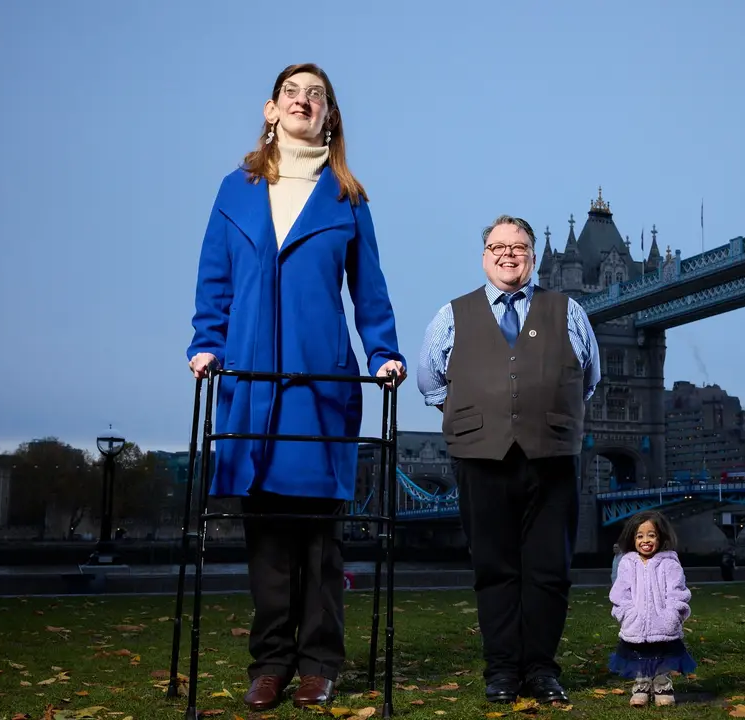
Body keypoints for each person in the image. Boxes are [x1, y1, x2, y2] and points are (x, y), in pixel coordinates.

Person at [186, 63, 406, 712]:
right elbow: (214, 277)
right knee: (267, 536)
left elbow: (370, 290)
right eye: (293, 93)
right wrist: (206, 341)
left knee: (318, 535)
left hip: (320, 383)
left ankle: (319, 663)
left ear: (329, 116)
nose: (305, 101)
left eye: (318, 95)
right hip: (252, 382)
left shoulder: (348, 198)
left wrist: (385, 351)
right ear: (271, 109)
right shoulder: (236, 190)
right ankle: (271, 662)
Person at [417, 214, 600, 705]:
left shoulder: (568, 311)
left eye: (518, 246)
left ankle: (541, 671)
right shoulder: (451, 315)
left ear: (532, 256)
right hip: (480, 459)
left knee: (549, 570)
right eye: (497, 246)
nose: (508, 254)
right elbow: (431, 383)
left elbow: (589, 378)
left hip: (552, 458)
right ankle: (501, 672)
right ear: (484, 256)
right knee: (494, 569)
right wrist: (482, 411)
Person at [608, 510, 696, 707]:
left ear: (660, 537)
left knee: (661, 657)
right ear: (632, 538)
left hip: (662, 623)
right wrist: (627, 614)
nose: (645, 540)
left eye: (651, 535)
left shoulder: (669, 563)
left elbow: (678, 592)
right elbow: (620, 593)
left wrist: (672, 615)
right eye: (640, 536)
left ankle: (662, 685)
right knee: (639, 657)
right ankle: (641, 685)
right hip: (636, 623)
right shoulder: (627, 563)